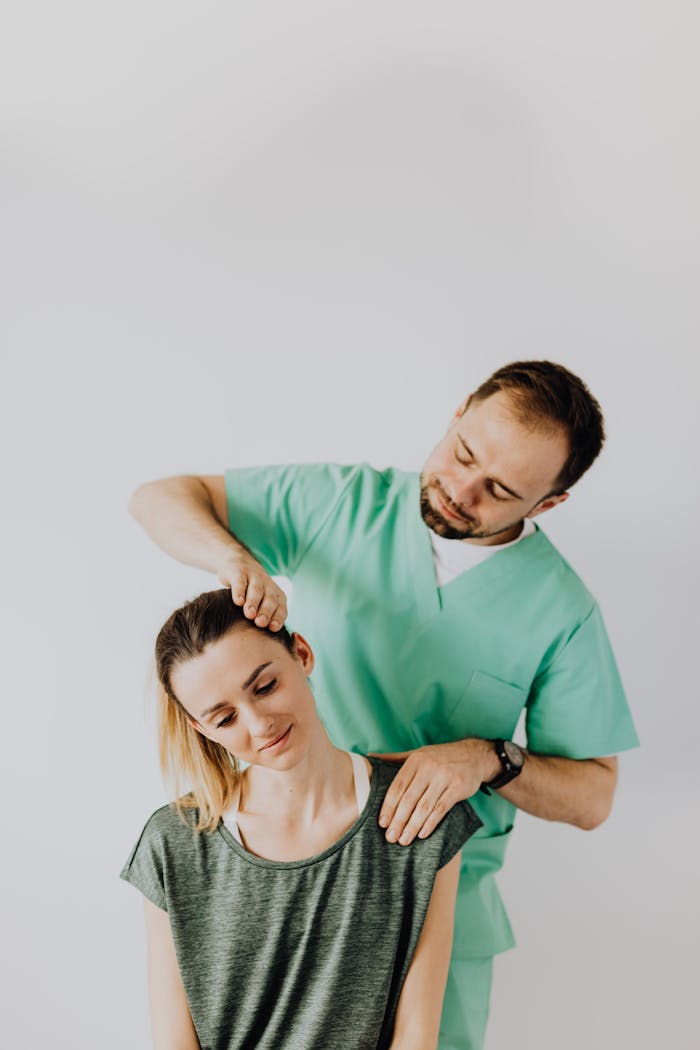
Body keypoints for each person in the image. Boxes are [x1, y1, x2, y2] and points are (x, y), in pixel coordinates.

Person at [129, 360, 639, 1050]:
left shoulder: (563, 611)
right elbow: (160, 497)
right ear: (458, 412)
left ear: (547, 505)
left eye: (499, 490)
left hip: (432, 901)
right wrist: (234, 563)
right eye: (463, 453)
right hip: (282, 887)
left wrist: (489, 759)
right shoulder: (339, 504)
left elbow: (594, 799)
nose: (461, 489)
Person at [121, 588, 480, 1050]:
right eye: (225, 718)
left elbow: (416, 1036)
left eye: (266, 687)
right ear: (201, 728)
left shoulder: (420, 810)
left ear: (302, 654)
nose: (259, 724)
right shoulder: (173, 842)